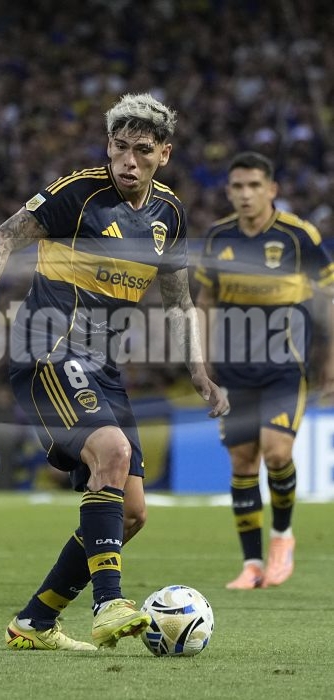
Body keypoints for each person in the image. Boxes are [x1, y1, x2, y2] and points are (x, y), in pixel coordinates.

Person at [0, 93, 229, 650]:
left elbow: (178, 302)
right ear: (108, 147)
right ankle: (108, 604)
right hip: (47, 349)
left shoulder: (169, 215)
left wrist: (199, 372)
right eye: (119, 147)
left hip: (103, 366)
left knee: (132, 514)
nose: (128, 161)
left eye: (141, 150)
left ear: (164, 154)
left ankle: (34, 623)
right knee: (113, 453)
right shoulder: (77, 194)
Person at [195, 150, 334, 590]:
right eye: (237, 186)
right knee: (242, 462)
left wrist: (330, 361)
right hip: (234, 371)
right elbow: (206, 302)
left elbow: (328, 297)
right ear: (228, 191)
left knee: (276, 454)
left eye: (254, 185)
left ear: (271, 189)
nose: (245, 194)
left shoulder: (298, 236)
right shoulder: (218, 238)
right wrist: (201, 363)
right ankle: (252, 564)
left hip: (284, 368)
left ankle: (282, 537)